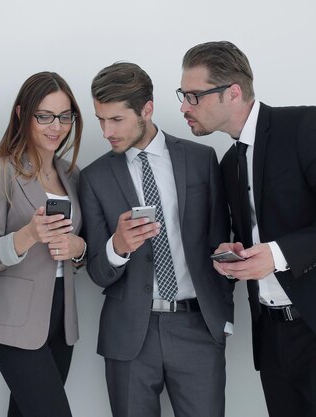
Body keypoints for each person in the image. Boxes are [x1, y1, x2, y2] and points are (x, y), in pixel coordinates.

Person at [178, 40, 316, 417]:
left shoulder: (305, 125)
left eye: (194, 96)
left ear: (233, 92)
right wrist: (236, 259)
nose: (184, 107)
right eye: (183, 96)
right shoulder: (229, 162)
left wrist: (277, 255)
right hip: (274, 341)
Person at [80, 62, 233, 417]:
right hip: (130, 334)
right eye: (100, 119)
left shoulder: (201, 159)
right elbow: (98, 273)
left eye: (116, 119)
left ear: (147, 109)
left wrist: (222, 315)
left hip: (198, 327)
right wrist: (117, 247)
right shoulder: (94, 177)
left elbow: (220, 241)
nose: (106, 132)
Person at [0, 72, 85, 417]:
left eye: (65, 116)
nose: (57, 126)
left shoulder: (72, 174)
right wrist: (28, 235)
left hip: (61, 319)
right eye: (45, 116)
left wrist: (77, 248)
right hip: (14, 322)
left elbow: (81, 248)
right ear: (22, 114)